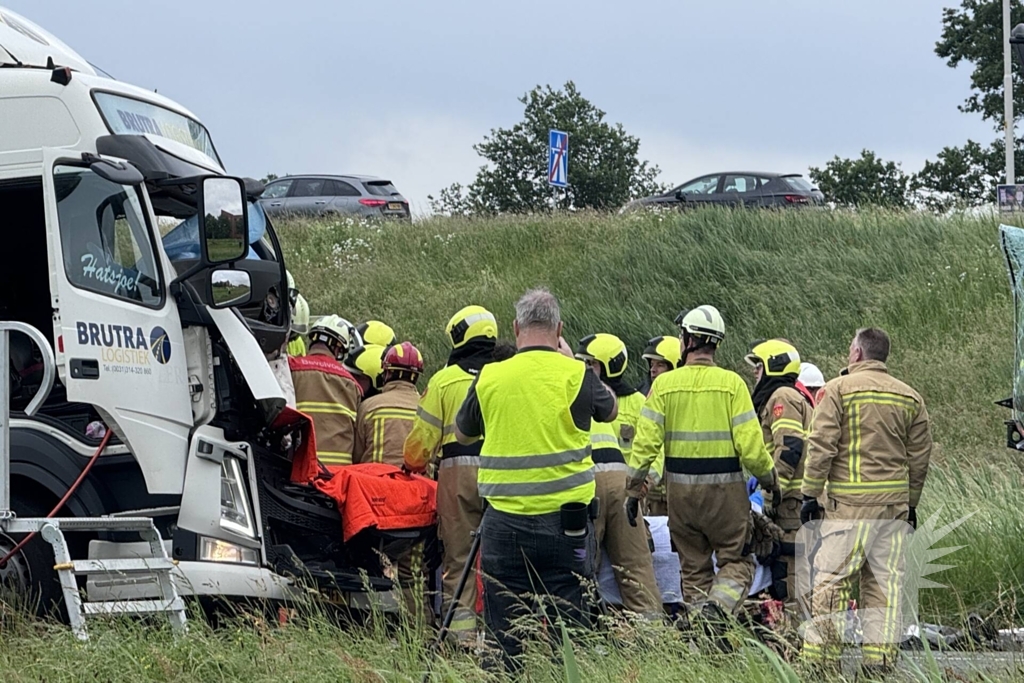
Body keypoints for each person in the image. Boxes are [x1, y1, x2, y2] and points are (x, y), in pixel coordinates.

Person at [455, 288, 617, 668]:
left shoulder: (491, 376)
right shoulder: (576, 373)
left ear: (515, 328)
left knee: (504, 634)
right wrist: (569, 359)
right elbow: (609, 410)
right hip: (569, 529)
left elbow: (462, 434)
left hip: (502, 527)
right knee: (573, 629)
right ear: (559, 328)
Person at [625, 305, 778, 630]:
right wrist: (769, 478)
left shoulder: (664, 387)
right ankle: (718, 610)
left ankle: (706, 643)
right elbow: (752, 448)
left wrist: (631, 491)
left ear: (688, 340)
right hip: (726, 499)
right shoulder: (732, 385)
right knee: (737, 562)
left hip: (681, 498)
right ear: (715, 344)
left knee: (693, 568)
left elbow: (644, 445)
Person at [800, 328, 932, 674]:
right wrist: (911, 504)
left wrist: (810, 494)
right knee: (885, 589)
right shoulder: (910, 398)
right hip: (893, 512)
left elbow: (821, 445)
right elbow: (919, 458)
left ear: (857, 354)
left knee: (832, 582)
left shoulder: (837, 390)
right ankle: (879, 664)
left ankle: (821, 666)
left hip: (848, 510)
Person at [403, 305, 499, 646]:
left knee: (458, 557)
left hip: (457, 473)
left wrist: (412, 466)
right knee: (501, 558)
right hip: (503, 472)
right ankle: (502, 635)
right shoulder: (505, 376)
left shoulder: (443, 382)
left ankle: (462, 639)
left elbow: (417, 450)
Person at [575, 334, 662, 618]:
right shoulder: (590, 392)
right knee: (626, 565)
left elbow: (656, 447)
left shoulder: (637, 401)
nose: (586, 368)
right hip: (614, 482)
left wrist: (647, 480)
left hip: (616, 486)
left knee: (590, 562)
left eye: (591, 363)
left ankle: (585, 631)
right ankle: (643, 632)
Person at [744, 339, 815, 614]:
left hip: (790, 503)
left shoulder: (781, 397)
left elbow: (790, 447)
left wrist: (772, 492)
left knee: (789, 567)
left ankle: (797, 636)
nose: (755, 373)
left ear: (773, 366)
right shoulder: (787, 395)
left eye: (759, 366)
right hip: (794, 500)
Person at [290, 315, 362, 466]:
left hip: (299, 468)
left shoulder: (292, 369)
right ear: (337, 348)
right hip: (338, 474)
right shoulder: (353, 384)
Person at [353, 342, 423, 465]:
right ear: (416, 376)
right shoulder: (427, 408)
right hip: (416, 482)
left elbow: (356, 455)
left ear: (387, 373)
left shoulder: (368, 407)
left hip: (375, 481)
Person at [638, 335, 684, 516]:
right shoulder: (643, 399)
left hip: (681, 494)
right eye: (651, 365)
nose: (653, 370)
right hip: (654, 496)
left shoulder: (686, 401)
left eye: (660, 365)